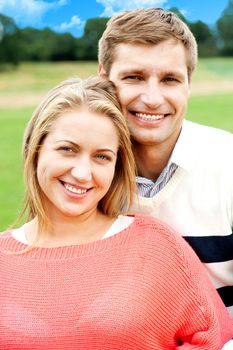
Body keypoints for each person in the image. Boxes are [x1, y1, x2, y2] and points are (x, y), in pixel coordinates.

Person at [0, 76, 232, 349]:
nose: (82, 173)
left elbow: (215, 338)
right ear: (35, 150)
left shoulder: (156, 246)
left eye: (102, 157)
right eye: (67, 149)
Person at [98, 7, 233, 318]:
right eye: (134, 77)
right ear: (104, 77)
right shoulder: (82, 175)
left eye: (170, 79)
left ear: (188, 84)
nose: (153, 98)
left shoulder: (227, 162)